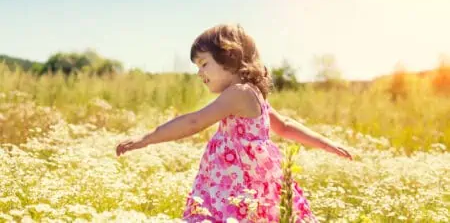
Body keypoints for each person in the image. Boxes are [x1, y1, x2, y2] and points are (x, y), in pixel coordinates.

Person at [116, 24, 353, 222]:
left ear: (230, 57)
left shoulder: (238, 93)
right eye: (197, 66)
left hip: (235, 188)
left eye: (204, 63)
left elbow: (194, 121)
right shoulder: (252, 93)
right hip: (238, 186)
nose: (199, 73)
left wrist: (146, 139)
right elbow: (285, 126)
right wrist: (326, 144)